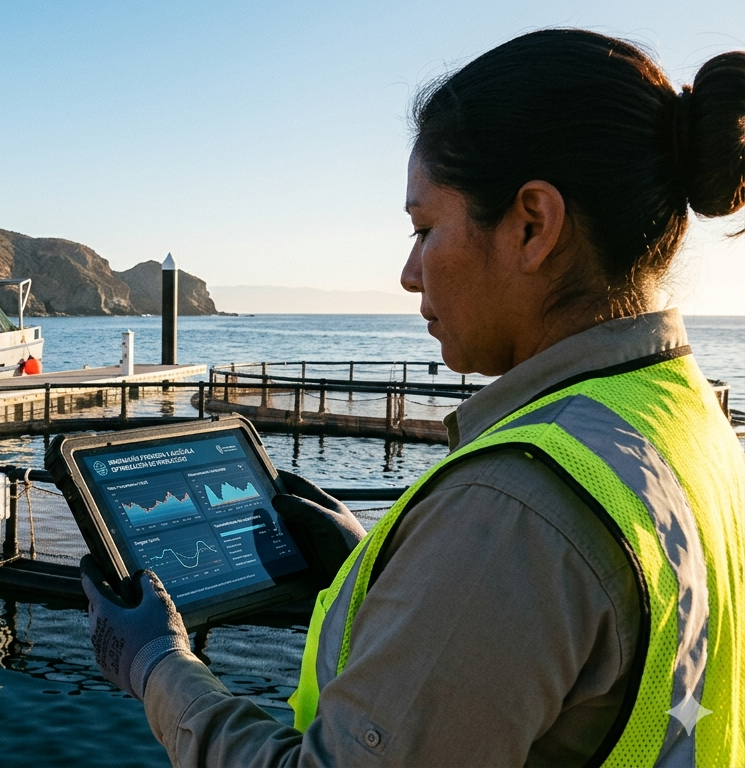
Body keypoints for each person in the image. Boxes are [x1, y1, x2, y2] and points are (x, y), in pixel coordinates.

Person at [80, 29, 745, 765]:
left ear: (532, 224)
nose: (408, 272)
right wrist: (371, 568)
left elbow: (524, 561)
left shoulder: (513, 510)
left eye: (425, 227)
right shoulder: (687, 419)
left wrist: (157, 668)